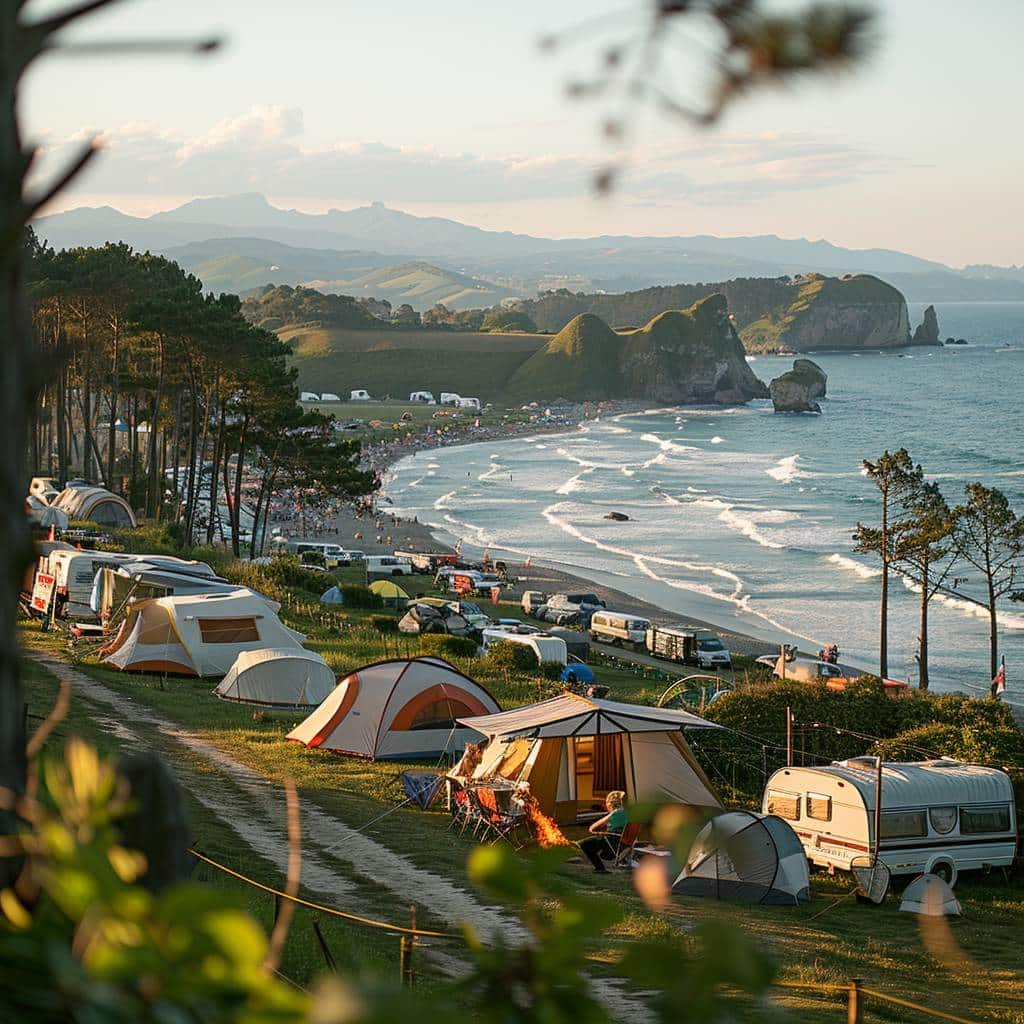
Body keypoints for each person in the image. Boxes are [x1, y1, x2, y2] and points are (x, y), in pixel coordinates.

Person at [578, 791, 628, 873]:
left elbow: (593, 828)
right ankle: (600, 869)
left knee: (584, 844)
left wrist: (605, 821)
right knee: (594, 843)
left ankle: (600, 868)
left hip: (611, 844)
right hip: (622, 846)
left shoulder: (616, 813)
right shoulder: (629, 814)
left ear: (610, 804)